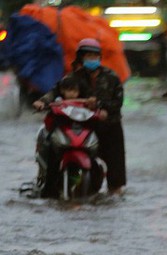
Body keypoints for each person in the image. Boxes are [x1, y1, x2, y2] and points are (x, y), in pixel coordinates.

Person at [34, 38, 126, 196]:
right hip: (84, 124)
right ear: (81, 58)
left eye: (94, 55)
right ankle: (50, 190)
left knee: (115, 161)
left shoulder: (112, 77)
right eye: (87, 55)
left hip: (108, 124)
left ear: (99, 57)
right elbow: (56, 91)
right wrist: (43, 101)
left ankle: (115, 192)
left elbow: (118, 102)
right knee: (54, 148)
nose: (91, 59)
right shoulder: (74, 77)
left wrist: (101, 106)